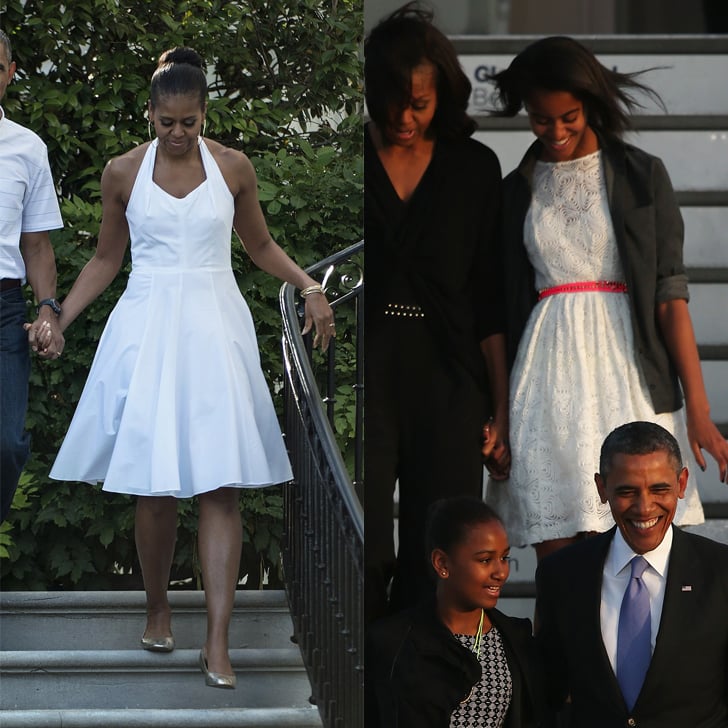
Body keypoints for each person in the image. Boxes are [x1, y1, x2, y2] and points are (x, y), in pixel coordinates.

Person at [41, 47, 334, 689]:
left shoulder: (234, 168)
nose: (177, 134)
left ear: (205, 114)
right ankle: (157, 608)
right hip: (146, 325)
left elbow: (257, 245)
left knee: (220, 485)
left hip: (213, 325)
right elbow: (104, 260)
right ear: (149, 113)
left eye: (189, 123)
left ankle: (219, 643)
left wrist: (310, 286)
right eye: (166, 122)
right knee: (152, 488)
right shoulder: (122, 172)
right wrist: (58, 317)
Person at [484, 36, 727, 561]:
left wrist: (699, 412)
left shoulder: (642, 176)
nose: (555, 131)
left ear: (590, 103)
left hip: (630, 370)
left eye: (567, 116)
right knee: (559, 558)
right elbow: (501, 308)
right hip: (546, 374)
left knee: (636, 546)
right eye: (540, 119)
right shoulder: (514, 191)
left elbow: (670, 297)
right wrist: (499, 417)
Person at [364, 2, 510, 623]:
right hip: (366, 371)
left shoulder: (474, 168)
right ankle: (362, 684)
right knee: (363, 533)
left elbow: (490, 297)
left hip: (450, 377)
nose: (404, 116)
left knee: (443, 542)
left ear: (442, 95)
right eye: (392, 99)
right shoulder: (354, 156)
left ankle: (430, 687)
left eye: (419, 103)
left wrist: (500, 407)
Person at [535, 421, 728, 726]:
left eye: (659, 489)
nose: (644, 507)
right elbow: (548, 691)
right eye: (627, 491)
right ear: (602, 488)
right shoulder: (562, 574)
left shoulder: (721, 572)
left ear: (681, 484)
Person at [366, 496, 545, 728]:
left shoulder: (516, 639)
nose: (500, 572)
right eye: (485, 560)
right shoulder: (390, 642)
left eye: (504, 558)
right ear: (442, 563)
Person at [0, 29, 64, 524]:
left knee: (6, 446)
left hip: (4, 310)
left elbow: (37, 245)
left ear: (10, 74)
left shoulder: (27, 147)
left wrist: (48, 310)